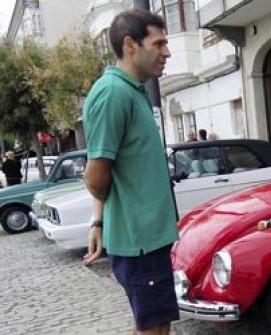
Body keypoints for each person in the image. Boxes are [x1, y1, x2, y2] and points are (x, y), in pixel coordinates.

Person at [81, 10, 178, 335]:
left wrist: (99, 220)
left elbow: (111, 166)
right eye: (159, 43)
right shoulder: (113, 94)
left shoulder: (131, 90)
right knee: (155, 330)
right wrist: (104, 218)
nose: (167, 52)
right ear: (130, 45)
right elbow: (95, 175)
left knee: (150, 325)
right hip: (141, 243)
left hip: (147, 241)